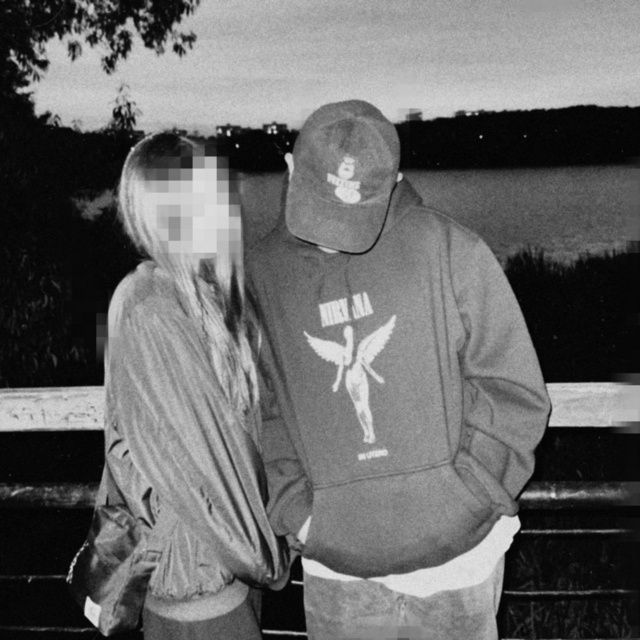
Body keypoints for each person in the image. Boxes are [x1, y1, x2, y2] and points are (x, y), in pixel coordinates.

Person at [246, 100, 551, 639]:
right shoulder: (259, 274)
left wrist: (468, 495)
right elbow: (257, 405)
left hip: (459, 567)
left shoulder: (451, 249)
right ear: (289, 167)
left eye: (353, 215)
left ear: (395, 181)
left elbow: (513, 392)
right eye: (320, 211)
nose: (332, 237)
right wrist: (300, 512)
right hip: (337, 573)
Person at [103, 132, 288, 639]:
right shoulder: (153, 308)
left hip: (223, 569)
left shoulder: (195, 297)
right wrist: (271, 554)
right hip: (198, 585)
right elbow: (210, 463)